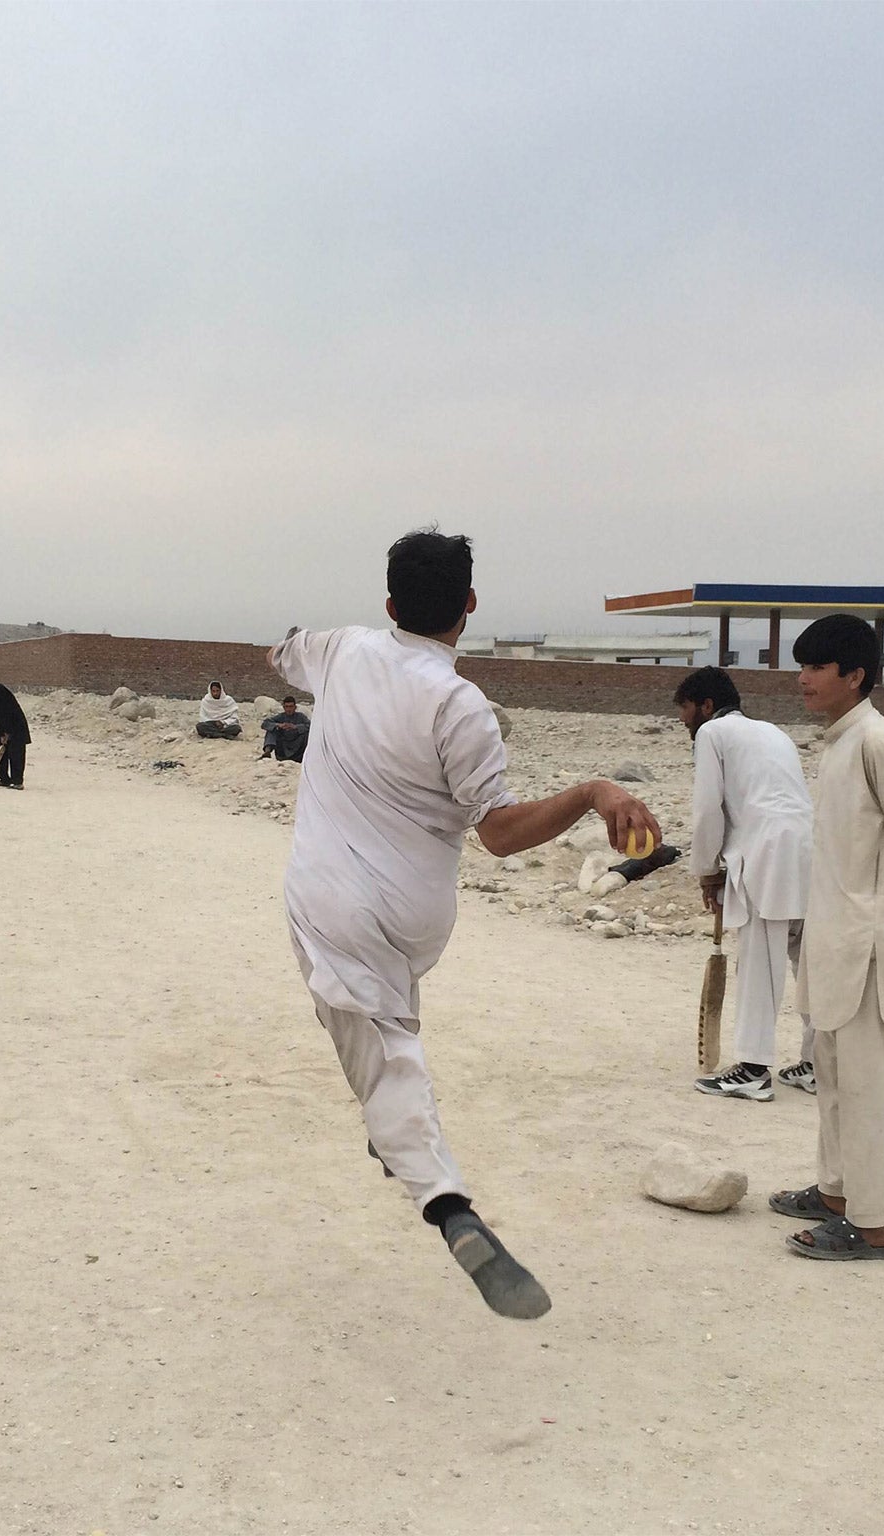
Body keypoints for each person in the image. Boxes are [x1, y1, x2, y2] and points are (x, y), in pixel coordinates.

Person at [272, 529, 659, 1319]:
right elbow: (501, 832)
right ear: (471, 606)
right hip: (413, 919)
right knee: (387, 1044)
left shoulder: (340, 649)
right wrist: (590, 791)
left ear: (387, 604)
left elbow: (283, 652)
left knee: (384, 1057)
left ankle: (447, 1204)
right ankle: (400, 1147)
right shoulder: (462, 704)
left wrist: (293, 656)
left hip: (332, 902)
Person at [772, 615, 884, 1262]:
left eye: (817, 668)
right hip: (837, 938)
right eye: (803, 666)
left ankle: (873, 1228)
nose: (804, 679)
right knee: (836, 1077)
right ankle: (838, 1195)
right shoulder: (840, 743)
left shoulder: (877, 743)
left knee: (871, 1086)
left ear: (856, 675)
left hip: (874, 941)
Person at [674, 666, 815, 1101]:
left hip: (766, 853)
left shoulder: (712, 735)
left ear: (707, 706)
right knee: (809, 962)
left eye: (686, 714)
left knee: (760, 960)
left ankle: (753, 1069)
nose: (686, 725)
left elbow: (707, 811)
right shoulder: (774, 732)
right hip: (812, 848)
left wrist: (707, 873)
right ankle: (819, 1064)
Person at [260, 696, 311, 762]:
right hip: (283, 748)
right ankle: (267, 751)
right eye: (286, 707)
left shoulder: (301, 716)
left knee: (306, 733)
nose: (289, 709)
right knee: (272, 729)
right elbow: (265, 723)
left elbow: (310, 725)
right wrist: (278, 725)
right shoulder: (280, 717)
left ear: (295, 707)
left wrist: (296, 727)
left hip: (298, 749)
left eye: (291, 707)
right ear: (284, 708)